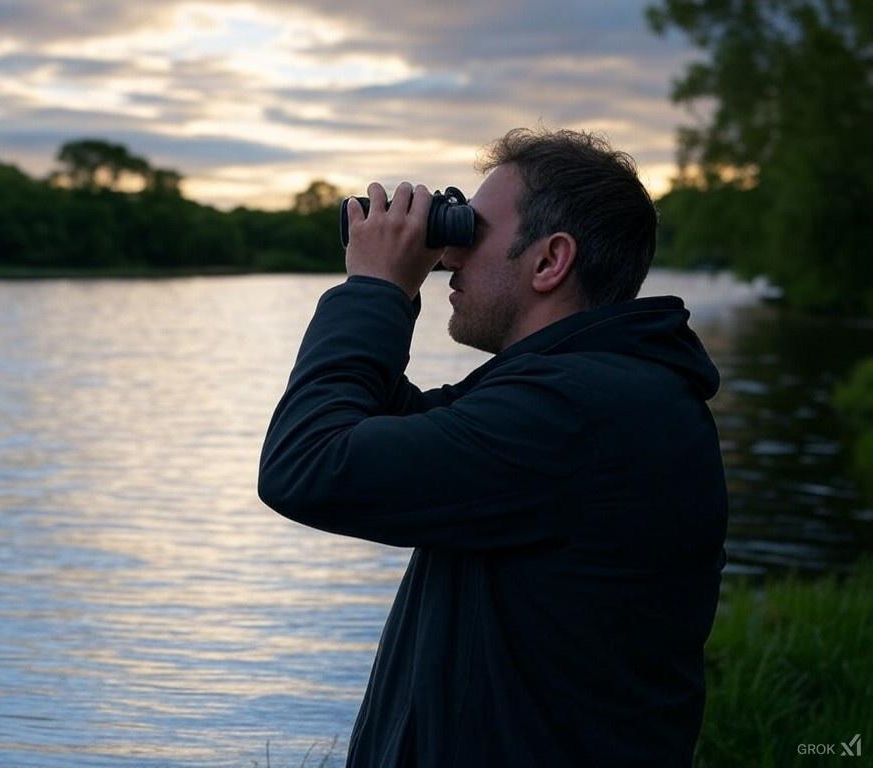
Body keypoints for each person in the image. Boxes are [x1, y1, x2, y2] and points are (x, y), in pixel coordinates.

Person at [257, 127, 728, 767]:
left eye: (470, 231)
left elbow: (306, 465)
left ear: (549, 261)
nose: (450, 255)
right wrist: (396, 283)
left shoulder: (576, 411)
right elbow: (377, 423)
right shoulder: (591, 394)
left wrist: (375, 289)